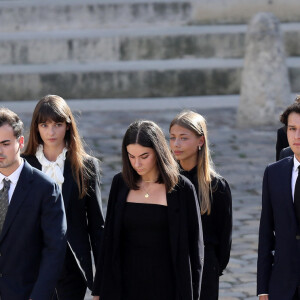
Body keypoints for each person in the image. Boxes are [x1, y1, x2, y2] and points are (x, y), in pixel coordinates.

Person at [92, 120, 204, 300]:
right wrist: (98, 292)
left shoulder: (183, 189)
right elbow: (109, 240)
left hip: (167, 287)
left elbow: (195, 252)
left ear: (158, 152)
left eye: (144, 156)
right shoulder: (120, 183)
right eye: (131, 156)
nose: (137, 164)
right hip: (124, 287)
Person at [22, 95, 104, 300]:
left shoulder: (86, 166)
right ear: (36, 127)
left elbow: (96, 226)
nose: (51, 132)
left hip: (73, 267)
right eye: (44, 125)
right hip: (31, 266)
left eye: (57, 124)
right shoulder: (23, 165)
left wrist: (100, 284)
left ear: (68, 125)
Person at [0, 108, 67, 299]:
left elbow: (54, 250)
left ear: (20, 142)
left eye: (5, 144)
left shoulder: (45, 188)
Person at [169, 110, 232, 300]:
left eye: (183, 138)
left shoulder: (216, 186)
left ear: (200, 141)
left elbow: (224, 237)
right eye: (172, 138)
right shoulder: (164, 182)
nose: (176, 144)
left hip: (205, 269)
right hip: (169, 267)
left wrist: (212, 268)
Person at [257, 102, 300, 299]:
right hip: (282, 285)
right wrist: (263, 288)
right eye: (292, 129)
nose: (297, 136)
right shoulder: (273, 172)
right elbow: (266, 231)